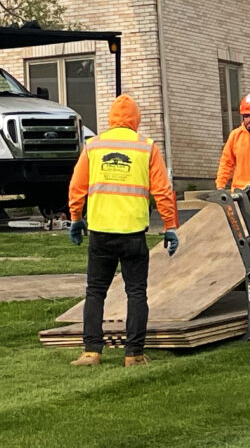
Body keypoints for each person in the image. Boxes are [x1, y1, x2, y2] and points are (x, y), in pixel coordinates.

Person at [67, 93, 180, 367]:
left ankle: (91, 351)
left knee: (95, 291)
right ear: (136, 120)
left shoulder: (94, 146)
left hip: (100, 233)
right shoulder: (147, 147)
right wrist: (170, 226)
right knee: (136, 293)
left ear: (111, 119)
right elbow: (163, 191)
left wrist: (75, 217)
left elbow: (77, 186)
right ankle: (134, 354)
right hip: (133, 234)